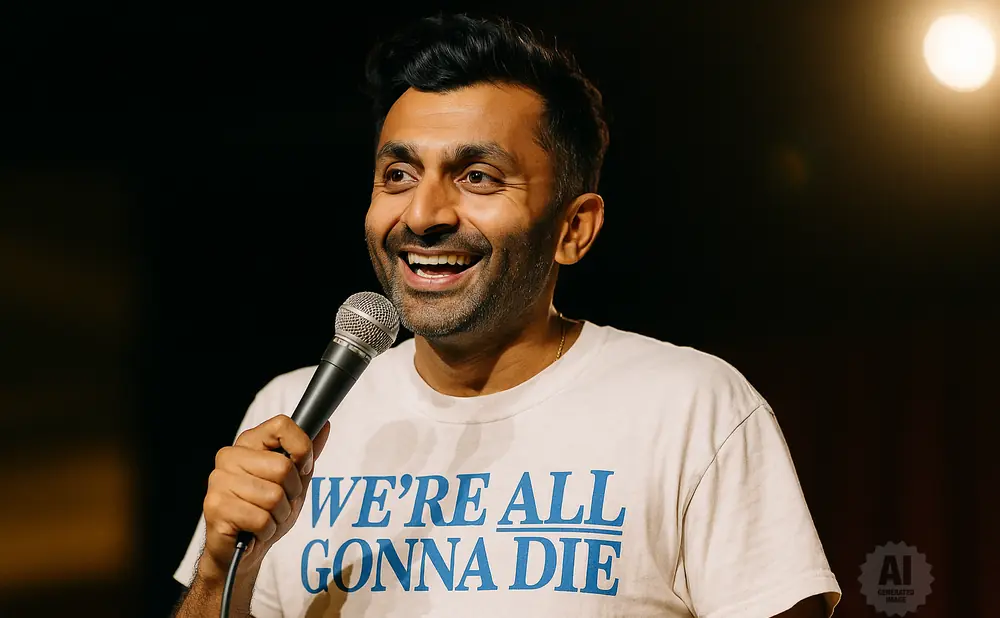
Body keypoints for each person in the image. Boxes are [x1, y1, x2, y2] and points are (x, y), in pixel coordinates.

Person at [172, 13, 842, 618]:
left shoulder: (691, 408)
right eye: (399, 174)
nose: (423, 215)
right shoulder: (292, 411)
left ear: (575, 228)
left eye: (478, 177)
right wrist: (217, 573)